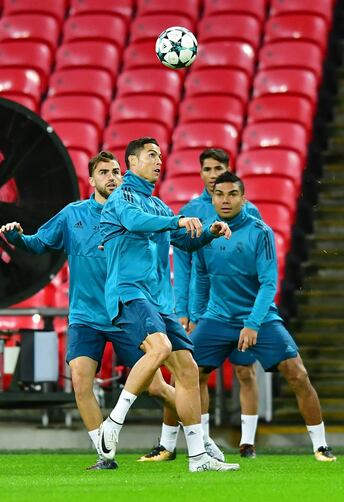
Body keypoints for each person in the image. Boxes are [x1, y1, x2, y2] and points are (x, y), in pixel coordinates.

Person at [0, 151, 179, 471]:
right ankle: (105, 454)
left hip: (122, 310)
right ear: (91, 180)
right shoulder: (72, 215)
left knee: (156, 387)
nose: (112, 177)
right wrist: (17, 239)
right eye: (105, 172)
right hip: (85, 316)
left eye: (116, 172)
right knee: (81, 381)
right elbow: (39, 243)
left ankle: (189, 428)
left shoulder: (130, 211)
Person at [98, 137, 240, 473]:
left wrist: (209, 233)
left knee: (188, 370)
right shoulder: (121, 198)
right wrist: (177, 221)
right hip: (129, 293)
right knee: (159, 348)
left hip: (159, 301)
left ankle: (198, 457)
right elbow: (135, 222)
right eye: (151, 155)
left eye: (160, 156)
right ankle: (113, 424)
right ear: (132, 162)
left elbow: (183, 241)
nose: (159, 161)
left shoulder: (159, 205)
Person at [190, 171, 336, 462]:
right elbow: (202, 278)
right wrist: (196, 316)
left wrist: (252, 323)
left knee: (298, 373)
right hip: (217, 317)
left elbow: (269, 283)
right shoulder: (208, 233)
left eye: (233, 194)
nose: (226, 200)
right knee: (189, 372)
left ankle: (320, 446)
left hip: (260, 318)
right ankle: (192, 444)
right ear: (212, 198)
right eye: (220, 195)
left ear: (244, 198)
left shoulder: (260, 232)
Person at [140, 148, 261, 462]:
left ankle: (247, 444)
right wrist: (183, 311)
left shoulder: (250, 213)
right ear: (200, 173)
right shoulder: (191, 211)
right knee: (191, 374)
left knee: (245, 371)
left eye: (217, 168)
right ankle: (188, 442)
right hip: (201, 309)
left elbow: (254, 263)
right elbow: (183, 267)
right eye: (206, 169)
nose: (211, 174)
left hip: (236, 307)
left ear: (228, 170)